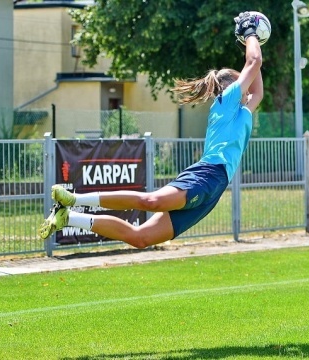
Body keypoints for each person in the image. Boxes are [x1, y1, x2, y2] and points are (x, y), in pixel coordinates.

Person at [38, 12, 264, 249]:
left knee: (140, 238)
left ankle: (68, 217)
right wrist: (250, 33)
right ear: (232, 88)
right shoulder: (226, 100)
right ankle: (74, 199)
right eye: (243, 84)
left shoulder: (242, 111)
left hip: (216, 187)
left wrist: (251, 39)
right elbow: (254, 63)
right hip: (208, 175)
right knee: (152, 200)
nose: (248, 91)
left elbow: (257, 86)